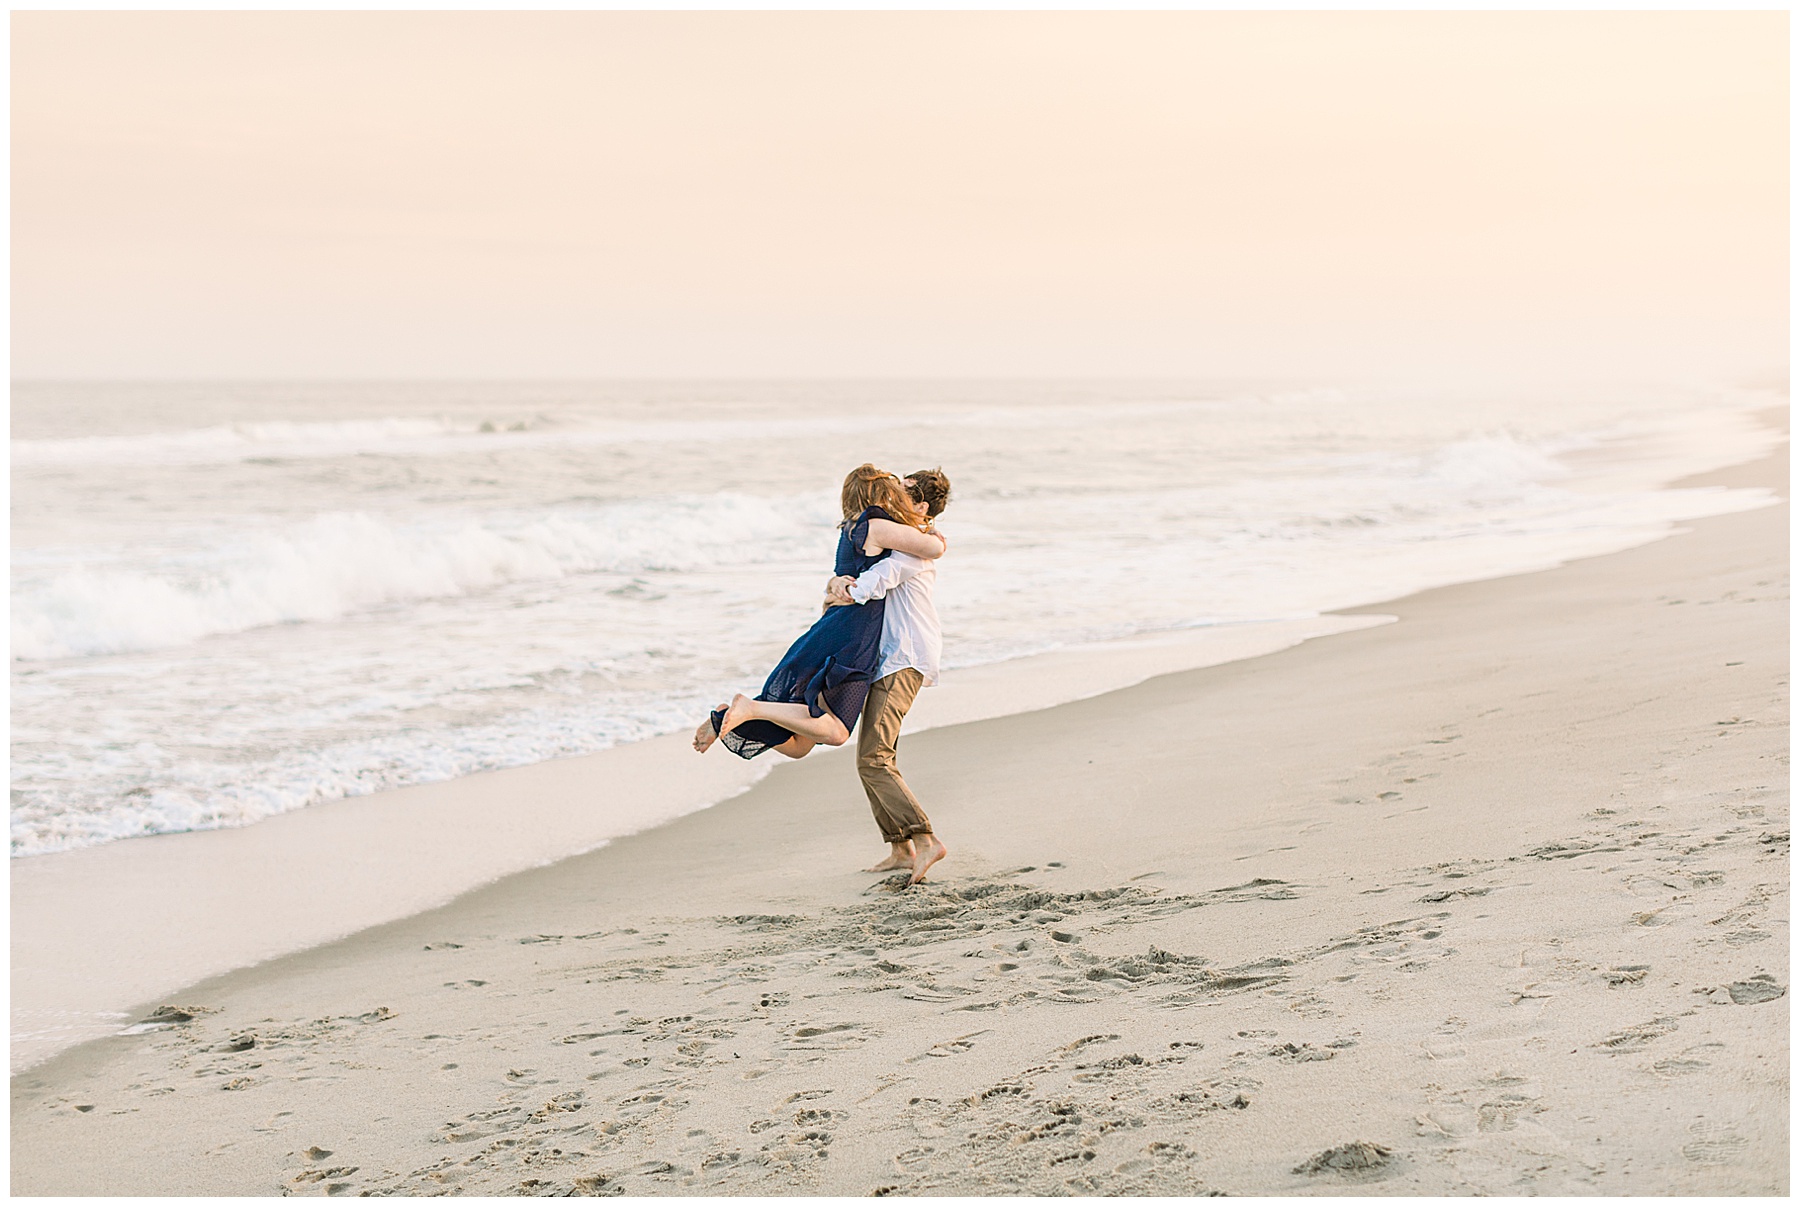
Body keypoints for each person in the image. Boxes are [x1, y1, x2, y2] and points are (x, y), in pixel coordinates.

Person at [692, 463, 944, 761]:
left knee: (800, 746)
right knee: (836, 732)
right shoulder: (877, 525)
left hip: (833, 625)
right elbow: (932, 549)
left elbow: (849, 575)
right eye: (892, 490)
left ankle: (728, 718)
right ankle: (752, 708)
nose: (895, 496)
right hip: (855, 635)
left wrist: (834, 586)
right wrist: (936, 536)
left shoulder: (850, 529)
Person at [824, 468, 952, 887]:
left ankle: (926, 839)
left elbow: (877, 583)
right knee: (873, 759)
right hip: (890, 657)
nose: (892, 499)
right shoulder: (906, 539)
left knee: (874, 758)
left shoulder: (912, 548)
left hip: (905, 657)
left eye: (904, 493)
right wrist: (837, 582)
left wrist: (842, 590)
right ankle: (900, 848)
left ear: (921, 506)